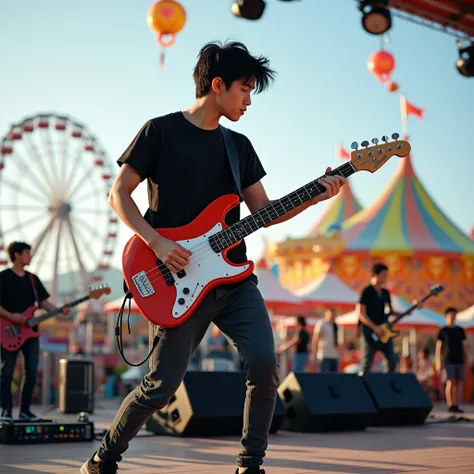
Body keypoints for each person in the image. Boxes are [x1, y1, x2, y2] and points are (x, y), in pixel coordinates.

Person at [80, 40, 345, 474]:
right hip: (175, 279)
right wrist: (158, 243)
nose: (248, 101)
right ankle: (103, 457)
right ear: (217, 85)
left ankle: (250, 464)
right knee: (160, 386)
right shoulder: (160, 131)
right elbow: (118, 194)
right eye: (244, 90)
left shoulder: (238, 146)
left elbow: (264, 213)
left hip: (235, 282)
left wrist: (317, 195)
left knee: (264, 363)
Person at [0, 241, 70, 421]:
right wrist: (14, 317)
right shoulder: (4, 277)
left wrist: (59, 310)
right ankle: (6, 410)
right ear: (16, 254)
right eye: (27, 253)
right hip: (8, 332)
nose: (30, 256)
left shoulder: (33, 279)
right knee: (6, 372)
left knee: (31, 372)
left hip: (31, 333)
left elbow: (44, 303)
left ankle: (25, 411)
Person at [357, 263, 420, 374]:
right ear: (375, 275)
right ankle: (363, 387)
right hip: (370, 334)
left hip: (385, 333)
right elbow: (361, 314)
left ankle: (386, 386)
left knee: (392, 362)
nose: (386, 277)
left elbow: (390, 311)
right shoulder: (366, 291)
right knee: (366, 364)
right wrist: (375, 327)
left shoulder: (385, 293)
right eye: (384, 274)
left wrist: (407, 311)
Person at [435, 307, 470, 413]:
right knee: (450, 381)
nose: (452, 316)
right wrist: (438, 362)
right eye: (450, 314)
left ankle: (456, 404)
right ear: (446, 316)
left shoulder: (460, 330)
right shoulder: (443, 330)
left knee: (458, 382)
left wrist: (467, 358)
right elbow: (438, 347)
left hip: (459, 359)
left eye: (454, 314)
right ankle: (450, 405)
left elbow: (464, 346)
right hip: (448, 359)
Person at [311, 308, 340, 372]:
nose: (333, 317)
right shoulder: (322, 323)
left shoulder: (335, 326)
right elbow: (315, 339)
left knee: (334, 378)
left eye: (334, 315)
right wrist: (314, 353)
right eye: (331, 315)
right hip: (324, 356)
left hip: (334, 356)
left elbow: (337, 342)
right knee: (324, 377)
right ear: (326, 314)